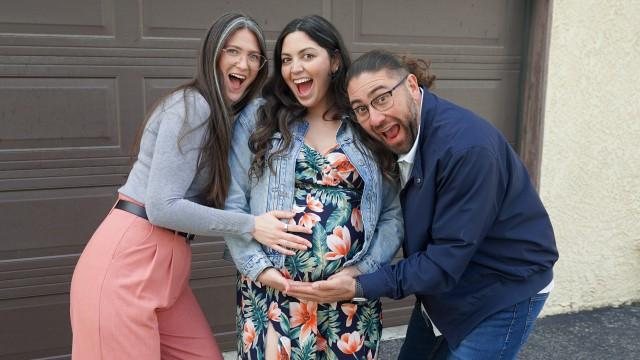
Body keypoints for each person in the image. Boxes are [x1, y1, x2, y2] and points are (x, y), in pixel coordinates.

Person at [287, 50, 559, 360]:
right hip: (445, 289)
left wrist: (359, 286)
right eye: (361, 109)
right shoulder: (391, 138)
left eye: (382, 98)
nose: (374, 118)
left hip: (503, 290)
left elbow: (444, 262)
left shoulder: (467, 149)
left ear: (412, 87)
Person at [69, 13, 311, 359]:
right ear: (213, 54)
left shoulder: (225, 116)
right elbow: (162, 206)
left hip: (166, 268)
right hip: (128, 263)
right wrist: (253, 226)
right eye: (232, 51)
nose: (243, 63)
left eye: (254, 56)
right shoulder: (192, 106)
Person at [223, 16, 403, 360]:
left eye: (307, 56)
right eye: (287, 60)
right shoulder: (260, 117)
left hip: (348, 301)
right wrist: (263, 271)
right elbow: (233, 202)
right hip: (274, 297)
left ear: (334, 61)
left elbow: (393, 213)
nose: (295, 69)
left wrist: (360, 273)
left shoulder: (364, 120)